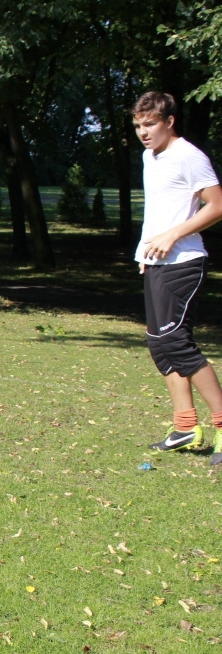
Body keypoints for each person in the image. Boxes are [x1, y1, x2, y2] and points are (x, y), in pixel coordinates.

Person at [131, 91, 222, 463]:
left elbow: (216, 206)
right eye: (138, 125)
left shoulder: (189, 156)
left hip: (184, 261)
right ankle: (185, 427)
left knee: (176, 341)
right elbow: (160, 209)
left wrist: (172, 236)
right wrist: (145, 250)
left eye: (150, 124)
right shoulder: (150, 156)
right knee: (159, 343)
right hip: (156, 262)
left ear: (169, 121)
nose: (143, 132)